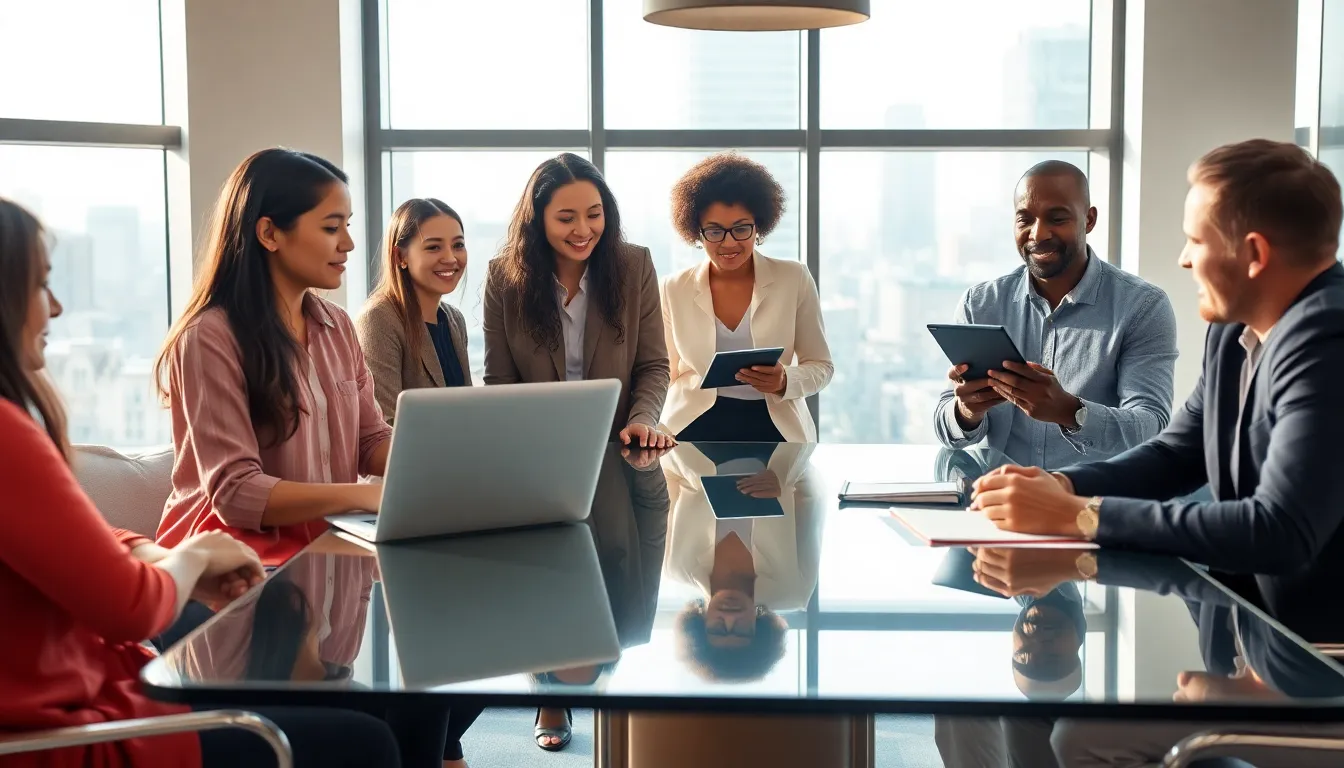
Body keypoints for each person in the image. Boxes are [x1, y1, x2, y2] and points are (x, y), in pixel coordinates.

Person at [0, 196, 405, 767]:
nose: (59, 307)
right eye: (41, 285)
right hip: (69, 731)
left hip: (83, 687)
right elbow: (131, 606)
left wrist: (144, 549)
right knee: (369, 740)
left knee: (375, 708)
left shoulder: (336, 326)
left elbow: (72, 543)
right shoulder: (9, 436)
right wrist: (188, 559)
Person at [970, 139, 1344, 646]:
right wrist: (1060, 486)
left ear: (1254, 253)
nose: (1184, 259)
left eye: (1197, 240)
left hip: (1317, 660)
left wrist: (1080, 516)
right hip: (1252, 636)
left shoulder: (1329, 341)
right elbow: (1176, 455)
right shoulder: (1232, 331)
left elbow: (1279, 531)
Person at [154, 149, 393, 567]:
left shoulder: (337, 326)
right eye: (331, 227)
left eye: (347, 225)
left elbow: (369, 441)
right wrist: (364, 496)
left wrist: (437, 463)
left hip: (322, 552)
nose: (349, 244)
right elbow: (236, 492)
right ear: (269, 233)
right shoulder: (208, 337)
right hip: (228, 568)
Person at [934, 160, 1178, 469]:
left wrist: (1069, 411)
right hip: (1003, 500)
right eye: (1025, 219)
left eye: (1057, 218)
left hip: (1092, 505)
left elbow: (1151, 426)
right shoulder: (980, 304)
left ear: (1088, 220)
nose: (1038, 233)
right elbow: (946, 424)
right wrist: (967, 412)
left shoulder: (1142, 307)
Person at [482, 152, 673, 449]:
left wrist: (644, 419)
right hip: (536, 447)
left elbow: (653, 365)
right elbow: (500, 381)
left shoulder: (636, 266)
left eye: (594, 215)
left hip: (617, 446)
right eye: (566, 218)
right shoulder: (504, 278)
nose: (583, 230)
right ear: (537, 220)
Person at [659, 153, 833, 442]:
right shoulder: (673, 288)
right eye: (714, 231)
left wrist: (785, 380)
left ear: (759, 226)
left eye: (741, 228)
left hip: (775, 426)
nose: (729, 243)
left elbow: (821, 366)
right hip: (692, 426)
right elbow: (664, 374)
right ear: (697, 233)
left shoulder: (794, 278)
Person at [662, 442, 822, 682]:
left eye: (717, 629)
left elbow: (669, 484)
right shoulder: (794, 589)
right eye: (740, 630)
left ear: (701, 624)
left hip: (692, 438)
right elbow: (813, 497)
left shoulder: (677, 567)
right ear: (759, 630)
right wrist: (782, 474)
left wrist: (672, 444)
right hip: (775, 442)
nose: (729, 617)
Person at [356, 198, 473, 424]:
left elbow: (466, 411)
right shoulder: (379, 318)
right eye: (433, 247)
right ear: (400, 257)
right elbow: (384, 424)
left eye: (458, 245)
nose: (450, 258)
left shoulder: (454, 319)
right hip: (413, 458)